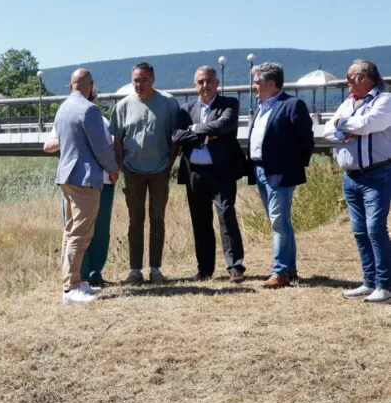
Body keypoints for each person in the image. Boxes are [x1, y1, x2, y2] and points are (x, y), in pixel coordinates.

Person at [323, 59, 391, 303]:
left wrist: (345, 126)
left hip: (377, 175)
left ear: (366, 78)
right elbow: (327, 131)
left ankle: (385, 285)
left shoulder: (384, 100)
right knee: (360, 231)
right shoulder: (348, 102)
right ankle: (369, 281)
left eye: (351, 77)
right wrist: (346, 128)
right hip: (350, 177)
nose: (347, 81)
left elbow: (370, 123)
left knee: (375, 229)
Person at [172, 66, 247, 283]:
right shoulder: (186, 109)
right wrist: (206, 136)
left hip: (221, 172)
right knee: (200, 221)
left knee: (226, 216)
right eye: (200, 82)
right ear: (195, 85)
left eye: (209, 81)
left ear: (217, 83)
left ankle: (234, 266)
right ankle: (204, 269)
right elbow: (177, 135)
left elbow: (225, 125)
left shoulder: (229, 104)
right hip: (194, 173)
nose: (205, 86)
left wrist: (194, 130)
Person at [109, 62, 180, 284]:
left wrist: (169, 164)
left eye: (143, 80)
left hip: (160, 170)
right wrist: (121, 163)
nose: (139, 84)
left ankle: (156, 269)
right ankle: (135, 270)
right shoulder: (122, 106)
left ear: (153, 79)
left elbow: (175, 137)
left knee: (157, 218)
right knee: (135, 220)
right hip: (133, 171)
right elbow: (117, 139)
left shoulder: (168, 103)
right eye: (135, 80)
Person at [53, 68, 118, 305]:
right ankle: (70, 289)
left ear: (71, 85)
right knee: (80, 234)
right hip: (85, 178)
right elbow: (101, 147)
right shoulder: (89, 109)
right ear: (90, 85)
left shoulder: (63, 108)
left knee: (70, 231)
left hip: (66, 177)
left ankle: (76, 281)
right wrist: (112, 168)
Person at [247, 62, 314, 289]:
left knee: (278, 223)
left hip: (281, 173)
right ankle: (290, 269)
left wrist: (294, 166)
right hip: (260, 170)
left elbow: (306, 140)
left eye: (257, 82)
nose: (253, 86)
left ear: (272, 84)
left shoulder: (292, 105)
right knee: (280, 222)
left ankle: (280, 272)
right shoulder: (260, 106)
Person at [44, 110, 118, 287]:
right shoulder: (68, 115)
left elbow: (110, 146)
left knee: (101, 230)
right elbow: (48, 146)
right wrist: (74, 138)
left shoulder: (103, 120)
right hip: (80, 180)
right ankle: (80, 276)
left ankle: (95, 274)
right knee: (78, 229)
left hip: (105, 180)